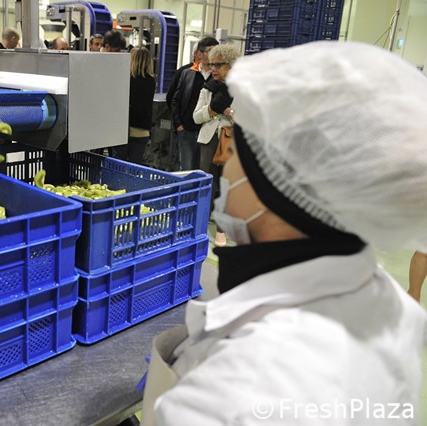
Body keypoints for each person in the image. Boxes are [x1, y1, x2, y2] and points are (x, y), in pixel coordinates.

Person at [142, 41, 427, 425]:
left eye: (236, 156)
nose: (225, 168)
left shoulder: (241, 385)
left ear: (278, 190)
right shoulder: (387, 303)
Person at [193, 44, 239, 248]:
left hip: (231, 142)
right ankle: (199, 226)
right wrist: (212, 109)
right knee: (206, 185)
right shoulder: (208, 88)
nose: (213, 68)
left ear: (231, 65)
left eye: (218, 65)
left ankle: (221, 230)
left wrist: (229, 112)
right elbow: (196, 117)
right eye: (212, 64)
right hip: (208, 141)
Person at [170, 37, 218, 171]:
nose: (213, 54)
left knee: (205, 170)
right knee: (187, 168)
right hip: (187, 130)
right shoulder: (187, 73)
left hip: (208, 132)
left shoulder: (218, 76)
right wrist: (178, 124)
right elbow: (175, 100)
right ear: (200, 54)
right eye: (210, 51)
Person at [111, 47, 156, 164]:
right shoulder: (151, 81)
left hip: (122, 130)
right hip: (142, 131)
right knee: (135, 167)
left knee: (118, 166)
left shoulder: (124, 79)